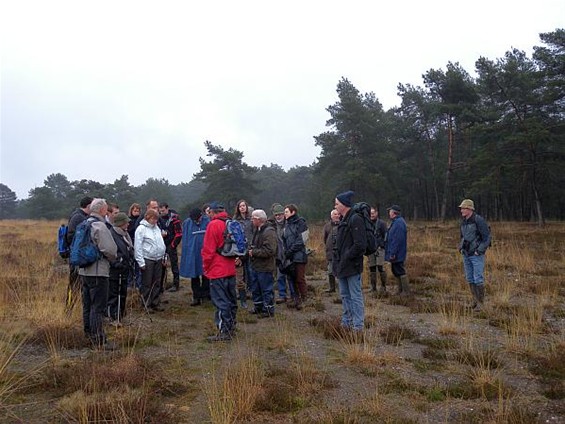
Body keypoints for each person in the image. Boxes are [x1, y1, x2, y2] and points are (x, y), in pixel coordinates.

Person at [78, 198, 118, 349]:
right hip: (98, 272)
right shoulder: (99, 226)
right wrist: (113, 258)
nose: (107, 212)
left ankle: (88, 334)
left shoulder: (84, 223)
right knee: (98, 306)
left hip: (84, 271)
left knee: (87, 305)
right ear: (101, 210)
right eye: (106, 209)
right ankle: (99, 340)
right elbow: (110, 249)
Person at [202, 202, 237, 342]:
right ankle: (232, 327)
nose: (208, 215)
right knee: (231, 300)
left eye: (209, 212)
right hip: (230, 268)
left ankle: (224, 332)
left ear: (213, 212)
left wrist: (206, 266)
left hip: (217, 269)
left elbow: (208, 249)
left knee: (221, 302)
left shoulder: (213, 225)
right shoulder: (230, 223)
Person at [333, 191, 367, 332]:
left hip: (352, 265)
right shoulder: (344, 219)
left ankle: (358, 326)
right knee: (345, 296)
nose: (335, 206)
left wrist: (347, 256)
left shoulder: (355, 219)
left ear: (344, 204)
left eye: (336, 203)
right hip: (342, 265)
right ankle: (347, 322)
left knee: (355, 296)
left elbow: (360, 245)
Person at [458, 199, 491, 312]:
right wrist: (461, 247)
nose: (461, 210)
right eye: (461, 208)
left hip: (476, 254)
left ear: (469, 209)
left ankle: (481, 304)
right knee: (470, 278)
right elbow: (462, 236)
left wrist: (479, 251)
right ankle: (475, 301)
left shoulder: (478, 220)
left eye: (463, 208)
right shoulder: (464, 221)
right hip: (466, 253)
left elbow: (487, 238)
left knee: (478, 279)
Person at [64, 196, 93, 315]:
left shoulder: (84, 216)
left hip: (81, 257)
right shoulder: (77, 217)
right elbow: (70, 236)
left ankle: (79, 310)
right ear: (88, 206)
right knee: (74, 284)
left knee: (81, 285)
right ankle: (69, 309)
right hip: (76, 258)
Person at [135, 209, 167, 312]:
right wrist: (141, 262)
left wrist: (163, 257)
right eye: (153, 218)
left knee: (157, 282)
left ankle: (155, 302)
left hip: (158, 258)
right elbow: (138, 246)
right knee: (147, 283)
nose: (155, 221)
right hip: (147, 259)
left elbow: (161, 242)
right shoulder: (141, 229)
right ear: (148, 217)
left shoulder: (156, 228)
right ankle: (146, 304)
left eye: (156, 219)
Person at [248, 209, 278, 317]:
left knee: (266, 289)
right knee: (256, 288)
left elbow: (270, 250)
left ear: (259, 219)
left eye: (253, 218)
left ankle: (268, 310)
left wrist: (254, 252)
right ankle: (258, 307)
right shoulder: (258, 230)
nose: (251, 220)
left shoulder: (269, 231)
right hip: (256, 265)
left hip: (265, 266)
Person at [107, 212, 134, 323]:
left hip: (125, 268)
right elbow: (110, 251)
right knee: (114, 294)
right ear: (121, 223)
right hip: (115, 270)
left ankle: (121, 315)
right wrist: (117, 262)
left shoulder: (125, 234)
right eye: (126, 222)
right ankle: (113, 317)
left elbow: (129, 248)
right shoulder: (112, 234)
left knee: (123, 292)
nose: (128, 224)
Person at [180, 207, 210, 306]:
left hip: (205, 253)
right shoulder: (187, 223)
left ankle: (206, 295)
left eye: (198, 219)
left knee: (206, 275)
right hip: (193, 253)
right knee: (195, 275)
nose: (197, 221)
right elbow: (185, 240)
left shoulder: (207, 221)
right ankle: (196, 297)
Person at [281, 204, 308, 310]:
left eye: (286, 212)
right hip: (289, 256)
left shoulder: (301, 223)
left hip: (299, 256)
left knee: (300, 278)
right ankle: (296, 299)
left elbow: (302, 240)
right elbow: (284, 239)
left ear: (293, 212)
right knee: (291, 278)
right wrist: (285, 252)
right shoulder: (286, 225)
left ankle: (304, 299)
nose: (284, 214)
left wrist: (290, 251)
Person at [269, 203, 293, 304]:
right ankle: (282, 295)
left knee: (291, 276)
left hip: (289, 253)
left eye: (280, 214)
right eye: (276, 215)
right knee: (279, 276)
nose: (278, 216)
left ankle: (293, 295)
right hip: (278, 254)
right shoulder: (272, 225)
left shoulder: (289, 224)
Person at [385, 205, 410, 296]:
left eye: (390, 211)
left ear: (394, 212)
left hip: (397, 253)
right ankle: (400, 290)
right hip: (396, 252)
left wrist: (393, 253)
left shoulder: (399, 223)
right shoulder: (396, 222)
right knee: (395, 270)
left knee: (400, 270)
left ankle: (406, 291)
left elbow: (397, 240)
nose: (389, 213)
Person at [233, 199, 254, 309]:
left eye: (244, 206)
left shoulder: (251, 220)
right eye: (240, 206)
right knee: (240, 273)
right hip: (239, 249)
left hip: (249, 247)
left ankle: (251, 290)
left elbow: (254, 233)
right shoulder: (235, 220)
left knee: (250, 271)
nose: (242, 208)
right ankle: (241, 292)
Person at [159, 202, 183, 292]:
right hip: (162, 245)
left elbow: (179, 233)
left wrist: (173, 245)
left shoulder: (174, 218)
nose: (162, 212)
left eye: (163, 210)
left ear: (167, 208)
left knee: (174, 265)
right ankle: (161, 285)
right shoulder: (159, 218)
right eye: (160, 211)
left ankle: (176, 284)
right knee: (162, 266)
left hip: (171, 244)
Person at [368, 206, 388, 296]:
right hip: (370, 250)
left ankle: (383, 286)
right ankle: (373, 287)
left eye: (373, 213)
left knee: (380, 267)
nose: (371, 215)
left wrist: (382, 246)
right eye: (370, 213)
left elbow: (386, 237)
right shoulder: (367, 223)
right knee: (372, 268)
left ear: (376, 213)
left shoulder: (382, 223)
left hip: (380, 249)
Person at [323, 209, 340, 294]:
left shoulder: (342, 225)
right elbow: (325, 239)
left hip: (340, 253)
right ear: (331, 216)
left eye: (338, 214)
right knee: (330, 271)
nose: (337, 216)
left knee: (340, 270)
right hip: (330, 252)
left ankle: (342, 289)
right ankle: (332, 288)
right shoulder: (327, 226)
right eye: (335, 214)